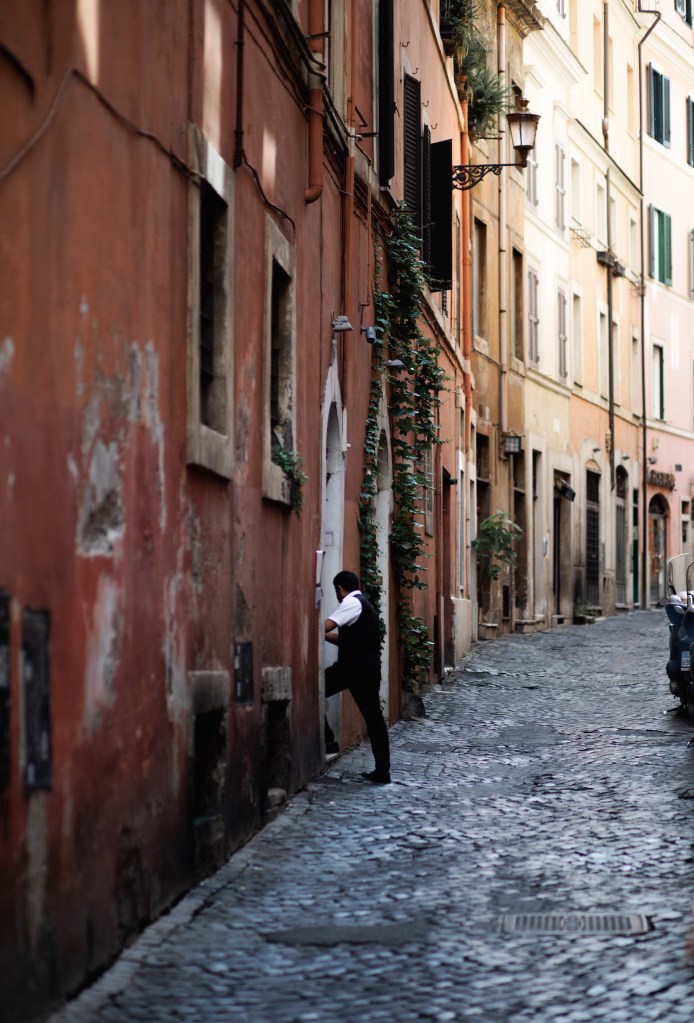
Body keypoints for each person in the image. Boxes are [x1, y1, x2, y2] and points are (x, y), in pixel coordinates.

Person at [324, 570, 391, 784]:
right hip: (367, 668)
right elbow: (349, 639)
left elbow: (327, 624)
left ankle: (328, 742)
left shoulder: (350, 603)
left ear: (340, 589)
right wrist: (325, 637)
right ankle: (383, 771)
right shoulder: (364, 605)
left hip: (352, 669)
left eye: (337, 591)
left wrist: (316, 629)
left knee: (312, 692)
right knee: (374, 719)